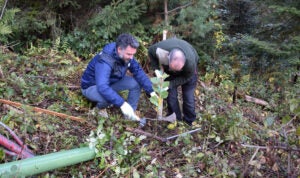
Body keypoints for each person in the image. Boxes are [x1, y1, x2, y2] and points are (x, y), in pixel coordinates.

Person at [81, 33, 156, 122]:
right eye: (129, 54)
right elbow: (102, 86)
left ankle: (130, 114)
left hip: (110, 83)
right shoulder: (105, 60)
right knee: (109, 99)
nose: (131, 57)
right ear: (119, 49)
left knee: (135, 83)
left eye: (133, 54)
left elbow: (138, 71)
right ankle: (98, 110)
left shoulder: (126, 56)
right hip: (92, 87)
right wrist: (122, 104)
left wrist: (151, 91)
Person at [148, 37, 199, 125]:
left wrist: (169, 85)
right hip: (169, 73)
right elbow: (150, 52)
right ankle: (176, 120)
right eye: (173, 68)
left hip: (187, 74)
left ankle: (189, 121)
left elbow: (186, 78)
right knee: (171, 97)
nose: (176, 71)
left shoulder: (190, 63)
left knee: (188, 98)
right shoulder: (160, 49)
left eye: (177, 69)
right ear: (168, 58)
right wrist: (156, 70)